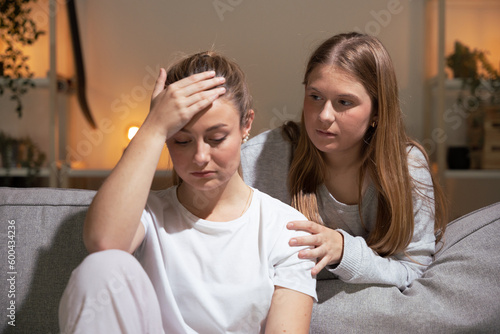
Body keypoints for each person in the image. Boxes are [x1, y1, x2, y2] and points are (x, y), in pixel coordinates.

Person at [59, 51, 316, 333]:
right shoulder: (147, 215)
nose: (200, 156)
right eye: (181, 140)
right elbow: (103, 242)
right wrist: (154, 127)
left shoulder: (287, 230)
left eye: (216, 138)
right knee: (100, 267)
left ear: (246, 125)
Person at [241, 32, 448, 291]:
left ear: (377, 111)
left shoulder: (408, 168)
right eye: (315, 96)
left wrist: (343, 250)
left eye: (344, 102)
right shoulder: (259, 157)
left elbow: (413, 270)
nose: (324, 115)